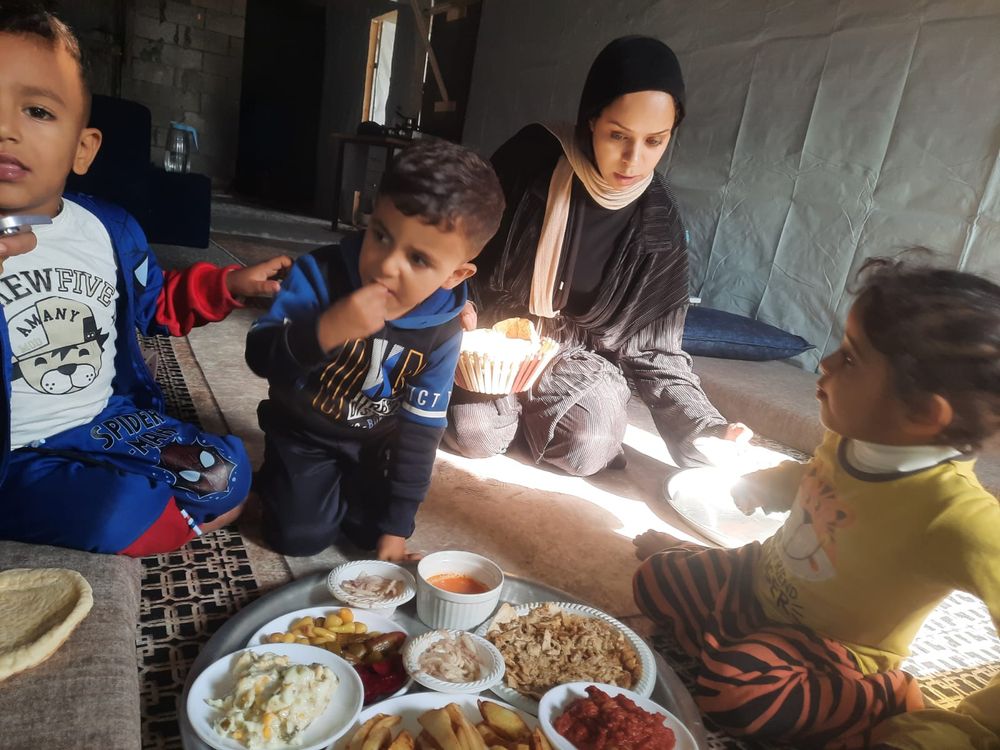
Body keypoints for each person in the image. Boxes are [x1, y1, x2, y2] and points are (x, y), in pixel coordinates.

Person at [632, 257, 1000, 748]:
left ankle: (880, 696)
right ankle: (727, 636)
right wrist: (770, 484)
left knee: (739, 692)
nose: (825, 363)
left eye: (850, 357)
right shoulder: (853, 434)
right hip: (756, 575)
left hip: (831, 647)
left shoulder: (957, 516)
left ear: (922, 414)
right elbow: (818, 476)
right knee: (653, 582)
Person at [0, 4, 291, 556]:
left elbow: (153, 306)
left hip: (102, 421)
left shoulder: (109, 230)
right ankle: (133, 512)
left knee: (222, 474)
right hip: (13, 455)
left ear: (81, 149)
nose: (5, 128)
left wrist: (231, 287)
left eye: (36, 110)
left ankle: (135, 503)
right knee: (117, 511)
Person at [443, 36, 750, 476]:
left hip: (574, 359)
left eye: (655, 141)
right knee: (475, 434)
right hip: (496, 340)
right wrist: (458, 307)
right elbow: (460, 246)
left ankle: (533, 416)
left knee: (591, 444)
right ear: (591, 120)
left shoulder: (657, 222)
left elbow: (656, 349)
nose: (634, 160)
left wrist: (706, 430)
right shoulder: (530, 158)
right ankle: (510, 417)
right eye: (617, 135)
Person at [245, 139, 504, 561]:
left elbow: (421, 431)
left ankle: (347, 490)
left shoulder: (443, 327)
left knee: (373, 536)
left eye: (418, 259)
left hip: (377, 443)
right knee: (298, 537)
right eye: (380, 235)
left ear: (455, 275)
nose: (386, 265)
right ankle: (283, 475)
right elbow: (259, 355)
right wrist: (325, 331)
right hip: (305, 431)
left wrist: (398, 528)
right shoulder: (320, 275)